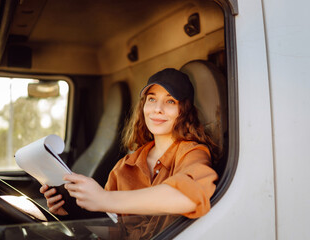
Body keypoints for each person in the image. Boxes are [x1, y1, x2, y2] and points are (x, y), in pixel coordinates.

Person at [40, 68, 218, 219]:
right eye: (152, 99)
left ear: (184, 111)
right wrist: (66, 213)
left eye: (170, 101)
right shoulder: (124, 166)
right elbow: (114, 227)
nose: (157, 109)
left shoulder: (193, 153)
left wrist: (104, 199)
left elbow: (189, 197)